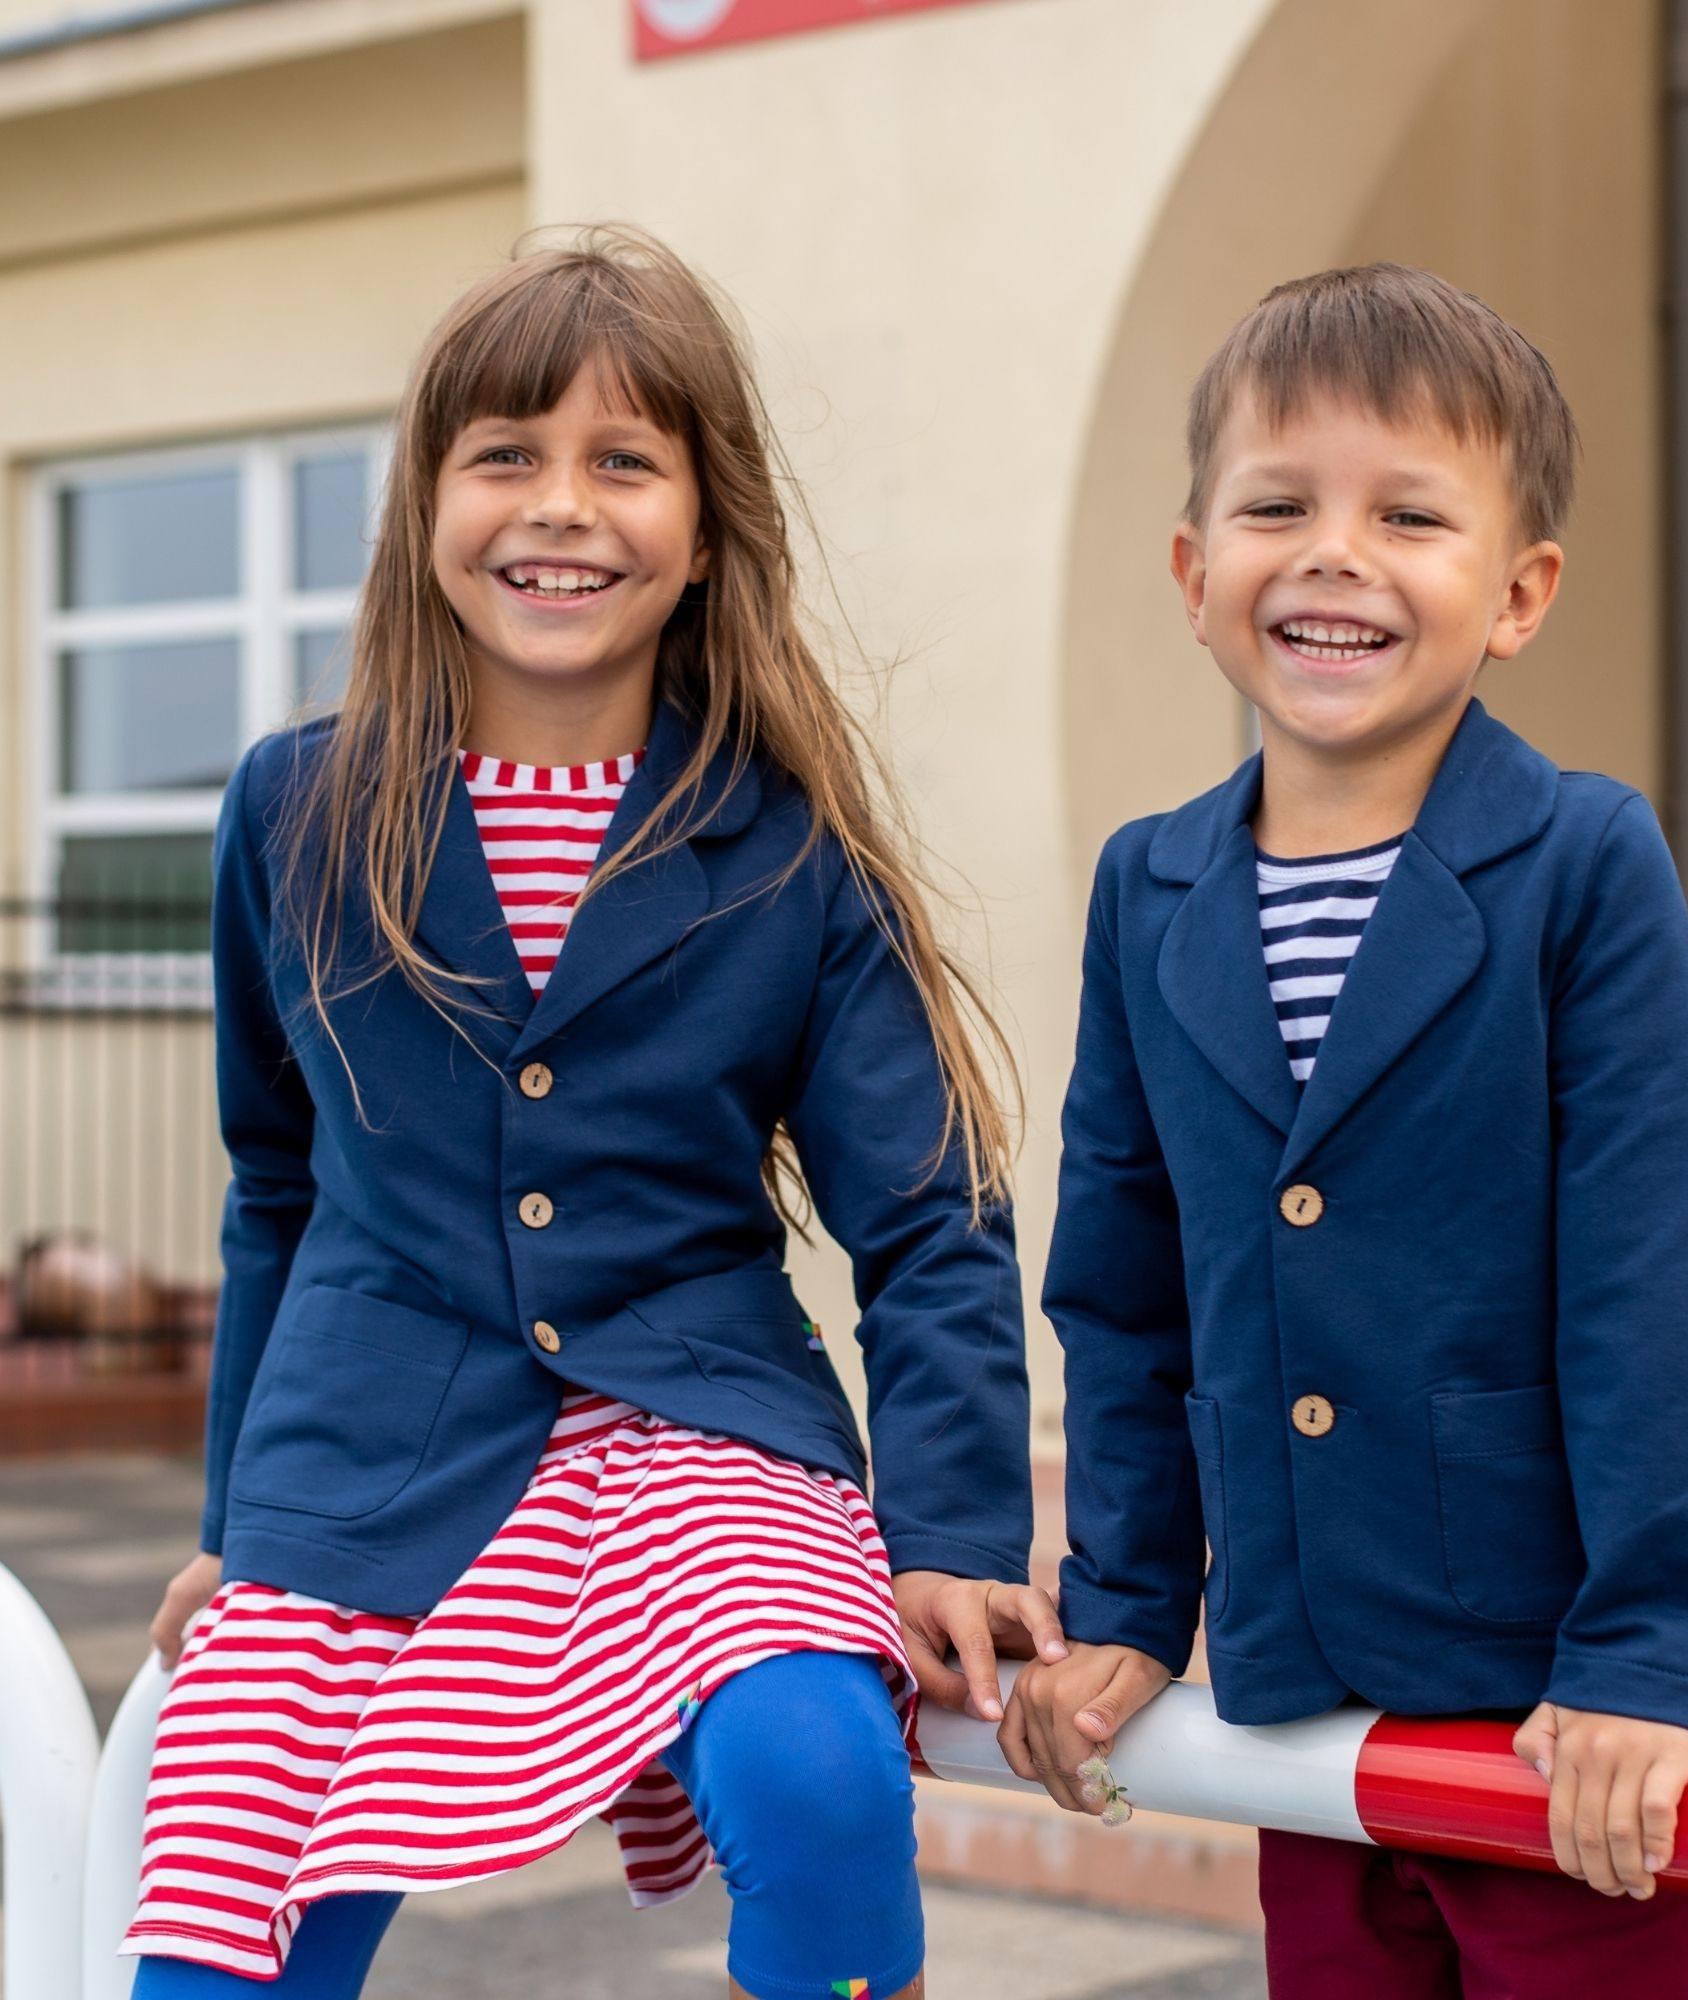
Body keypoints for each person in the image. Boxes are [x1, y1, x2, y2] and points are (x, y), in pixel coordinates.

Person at [127, 225, 1061, 2000]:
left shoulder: (786, 843)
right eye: (507, 457)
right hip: (363, 1438)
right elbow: (276, 1186)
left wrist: (949, 1533)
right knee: (221, 1908)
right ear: (425, 509)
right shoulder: (292, 811)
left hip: (701, 1428)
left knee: (819, 1771)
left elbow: (932, 1211)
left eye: (624, 460)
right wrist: (240, 1525)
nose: (561, 505)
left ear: (704, 530)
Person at [1003, 264, 1688, 1998]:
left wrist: (1652, 1650)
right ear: (1200, 577)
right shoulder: (1152, 887)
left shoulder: (1585, 861)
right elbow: (1123, 1289)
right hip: (1307, 1693)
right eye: (1279, 505)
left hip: (1555, 1706)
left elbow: (1649, 1282)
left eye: (1409, 515)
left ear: (1516, 593)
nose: (1337, 552)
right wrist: (1129, 1603)